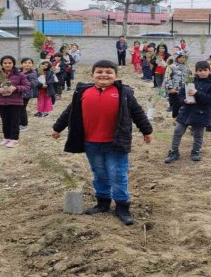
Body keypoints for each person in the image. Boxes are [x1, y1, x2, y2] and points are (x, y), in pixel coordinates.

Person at [51, 60, 153, 226]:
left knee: (117, 174)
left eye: (108, 72)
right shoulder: (83, 92)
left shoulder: (124, 93)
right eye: (99, 72)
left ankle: (122, 206)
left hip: (116, 143)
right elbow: (70, 111)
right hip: (91, 143)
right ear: (92, 75)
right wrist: (57, 128)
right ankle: (103, 202)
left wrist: (146, 131)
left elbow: (137, 112)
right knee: (99, 173)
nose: (104, 75)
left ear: (116, 76)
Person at [164, 60, 211, 164]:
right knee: (177, 131)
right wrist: (183, 100)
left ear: (209, 71)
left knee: (198, 134)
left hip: (201, 113)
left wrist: (197, 93)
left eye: (205, 70)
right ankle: (174, 152)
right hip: (186, 112)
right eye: (200, 70)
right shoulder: (190, 81)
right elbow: (180, 94)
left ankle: (196, 151)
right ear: (196, 71)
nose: (202, 72)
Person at [0, 55, 30, 148]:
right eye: (5, 63)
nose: (7, 65)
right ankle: (6, 138)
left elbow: (27, 86)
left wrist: (15, 88)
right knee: (5, 120)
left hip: (15, 102)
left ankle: (14, 139)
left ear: (13, 64)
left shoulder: (20, 74)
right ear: (2, 64)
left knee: (14, 121)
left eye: (10, 63)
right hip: (1, 102)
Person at [164, 52, 189, 119]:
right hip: (174, 90)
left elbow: (189, 78)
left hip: (183, 90)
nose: (181, 59)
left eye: (183, 57)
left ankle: (182, 117)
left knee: (183, 104)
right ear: (176, 58)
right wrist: (170, 88)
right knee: (176, 105)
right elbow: (167, 77)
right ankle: (175, 117)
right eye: (179, 57)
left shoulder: (186, 68)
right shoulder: (171, 67)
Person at [19, 58, 39, 131]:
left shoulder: (32, 73)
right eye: (25, 62)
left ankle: (24, 125)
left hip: (26, 94)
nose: (27, 64)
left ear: (32, 64)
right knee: (17, 109)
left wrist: (24, 84)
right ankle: (19, 123)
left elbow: (34, 83)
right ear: (22, 64)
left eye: (29, 63)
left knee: (22, 109)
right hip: (17, 93)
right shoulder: (17, 71)